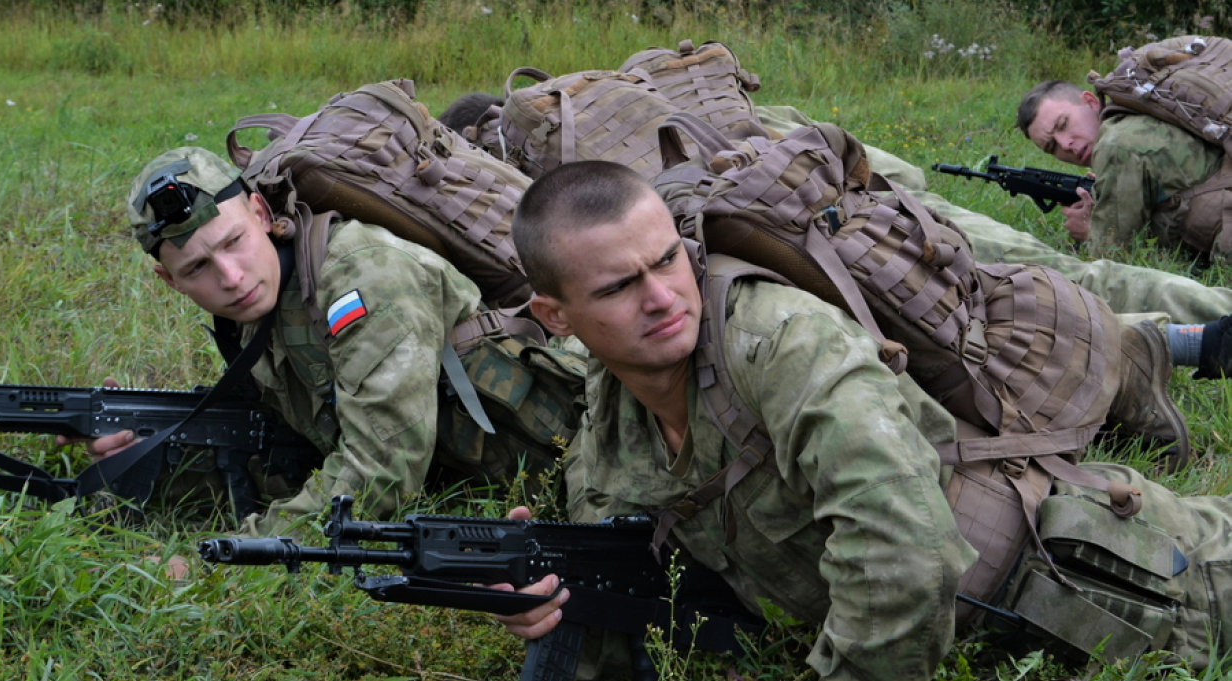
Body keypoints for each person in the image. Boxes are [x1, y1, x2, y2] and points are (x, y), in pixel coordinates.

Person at [495, 160, 1232, 680]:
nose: (661, 297)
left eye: (667, 262)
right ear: (556, 317)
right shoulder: (612, 417)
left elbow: (904, 550)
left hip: (1128, 593)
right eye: (622, 285)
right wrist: (562, 592)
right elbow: (652, 589)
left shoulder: (780, 339)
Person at [439, 91, 1232, 376]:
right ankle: (1200, 324)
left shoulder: (557, 185)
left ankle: (1204, 323)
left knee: (1044, 279)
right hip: (842, 182)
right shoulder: (631, 110)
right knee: (1038, 273)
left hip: (841, 210)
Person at [83, 146, 572, 536]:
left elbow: (382, 471)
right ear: (170, 281)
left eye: (234, 242)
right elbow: (287, 452)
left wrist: (233, 556)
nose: (230, 277)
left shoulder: (363, 274)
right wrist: (143, 457)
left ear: (260, 212)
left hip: (568, 469)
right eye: (197, 268)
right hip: (468, 485)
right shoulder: (261, 308)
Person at [1018, 79, 1224, 258]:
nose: (1065, 144)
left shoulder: (1115, 146)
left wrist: (1089, 232)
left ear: (1090, 101)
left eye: (1063, 124)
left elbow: (1113, 257)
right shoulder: (1138, 115)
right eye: (1052, 146)